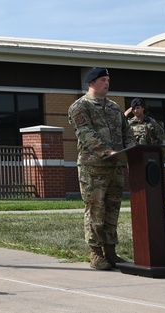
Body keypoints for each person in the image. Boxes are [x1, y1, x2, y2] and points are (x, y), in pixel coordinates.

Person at [67, 66, 136, 270]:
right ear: (91, 83)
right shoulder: (80, 107)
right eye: (103, 80)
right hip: (94, 168)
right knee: (96, 210)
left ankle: (111, 251)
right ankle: (95, 254)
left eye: (108, 79)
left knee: (113, 209)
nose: (107, 83)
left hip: (117, 167)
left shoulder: (115, 107)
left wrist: (133, 151)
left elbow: (127, 132)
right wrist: (107, 152)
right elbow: (86, 134)